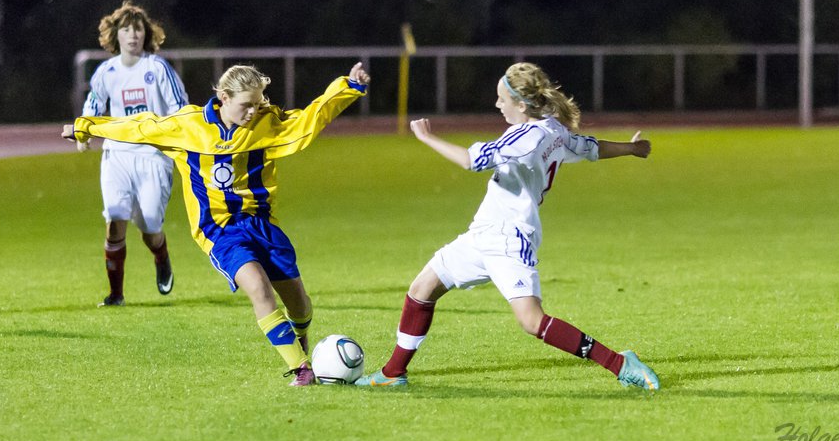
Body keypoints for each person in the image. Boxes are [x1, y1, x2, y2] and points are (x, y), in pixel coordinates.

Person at [357, 62, 660, 391]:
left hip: (509, 238)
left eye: (502, 99)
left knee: (532, 322)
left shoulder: (527, 139)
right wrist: (630, 149)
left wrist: (427, 138)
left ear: (521, 103)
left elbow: (472, 161)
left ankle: (620, 363)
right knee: (421, 289)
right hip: (483, 233)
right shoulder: (551, 129)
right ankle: (392, 373)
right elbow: (589, 147)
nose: (497, 104)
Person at [63, 62, 370, 386]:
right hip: (219, 230)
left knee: (299, 303)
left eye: (258, 103)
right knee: (258, 289)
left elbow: (311, 118)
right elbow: (139, 126)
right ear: (223, 97)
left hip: (261, 224)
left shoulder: (267, 124)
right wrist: (85, 127)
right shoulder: (189, 126)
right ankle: (302, 370)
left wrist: (348, 86)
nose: (253, 111)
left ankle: (301, 338)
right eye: (245, 104)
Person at [79, 0, 189, 306]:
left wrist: (184, 136)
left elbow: (180, 108)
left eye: (138, 29)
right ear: (116, 35)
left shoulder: (158, 69)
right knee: (115, 216)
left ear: (146, 34)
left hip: (154, 156)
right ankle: (116, 295)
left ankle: (161, 253)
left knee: (151, 225)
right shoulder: (106, 72)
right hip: (117, 155)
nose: (133, 35)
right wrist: (84, 131)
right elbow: (93, 105)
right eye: (126, 29)